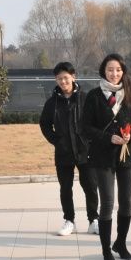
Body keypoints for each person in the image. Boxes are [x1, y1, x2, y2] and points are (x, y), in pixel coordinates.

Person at [81, 52, 131, 260]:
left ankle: (121, 243)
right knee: (108, 203)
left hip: (127, 156)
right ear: (104, 71)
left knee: (126, 202)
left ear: (123, 71)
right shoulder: (93, 96)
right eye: (110, 69)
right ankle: (106, 251)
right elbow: (85, 128)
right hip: (102, 157)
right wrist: (108, 137)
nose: (114, 73)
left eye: (118, 70)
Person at [40, 61, 98, 237]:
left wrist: (91, 141)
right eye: (59, 79)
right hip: (63, 152)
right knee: (65, 188)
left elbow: (96, 122)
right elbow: (44, 124)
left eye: (66, 78)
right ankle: (69, 221)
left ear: (73, 77)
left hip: (86, 151)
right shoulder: (52, 103)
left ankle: (93, 220)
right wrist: (57, 141)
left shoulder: (86, 98)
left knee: (90, 186)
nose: (63, 82)